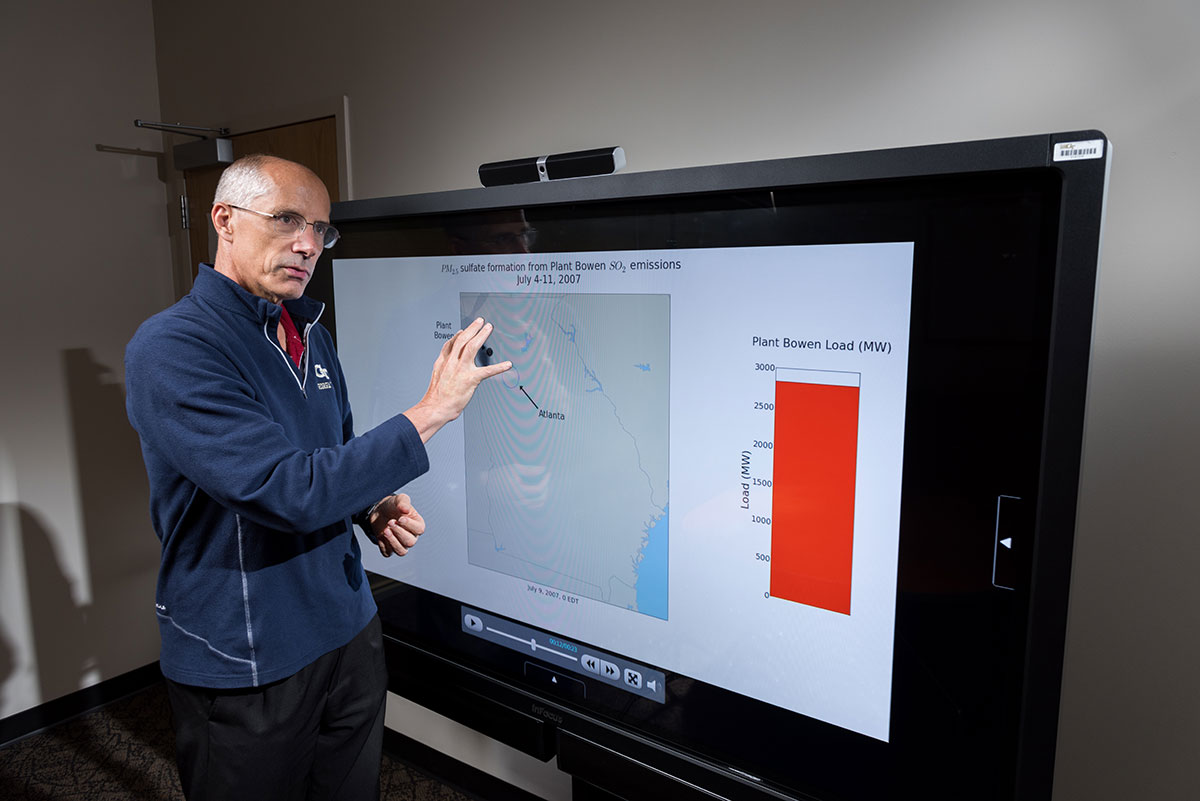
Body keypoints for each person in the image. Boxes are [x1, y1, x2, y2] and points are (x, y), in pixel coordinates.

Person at [124, 154, 511, 800]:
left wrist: (371, 506)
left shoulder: (308, 332)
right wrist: (432, 411)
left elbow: (333, 451)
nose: (308, 244)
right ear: (224, 219)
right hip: (249, 661)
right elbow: (287, 489)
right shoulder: (173, 348)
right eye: (286, 220)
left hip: (349, 633)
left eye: (321, 230)